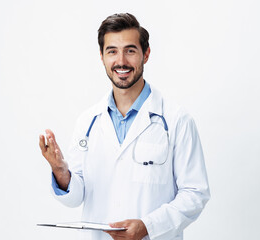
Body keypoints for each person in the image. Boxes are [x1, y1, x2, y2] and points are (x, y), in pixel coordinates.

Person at [39, 13, 210, 240]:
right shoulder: (88, 121)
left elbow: (195, 194)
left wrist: (148, 226)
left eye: (130, 50)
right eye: (112, 51)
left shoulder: (176, 120)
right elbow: (76, 196)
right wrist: (61, 171)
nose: (121, 61)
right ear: (101, 56)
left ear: (146, 54)